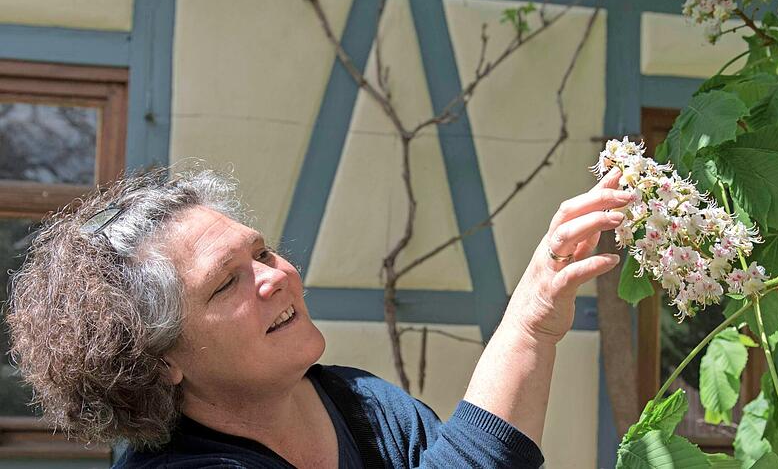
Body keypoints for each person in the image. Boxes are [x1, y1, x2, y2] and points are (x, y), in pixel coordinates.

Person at [6, 167, 631, 468]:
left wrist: (538, 319)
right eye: (228, 282)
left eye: (262, 251)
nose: (275, 275)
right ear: (159, 358)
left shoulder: (364, 403)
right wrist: (528, 322)